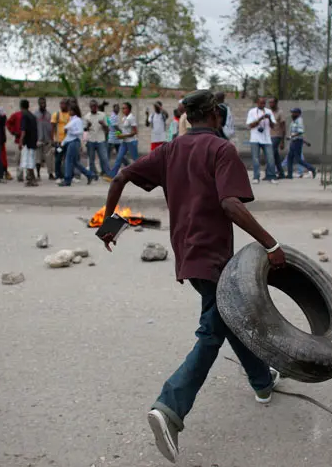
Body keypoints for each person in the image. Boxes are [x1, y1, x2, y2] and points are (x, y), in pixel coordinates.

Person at [99, 90, 285, 464]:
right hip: (213, 257)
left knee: (229, 318)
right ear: (216, 115)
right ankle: (170, 408)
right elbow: (230, 204)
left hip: (187, 253)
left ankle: (262, 382)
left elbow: (120, 176)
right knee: (212, 332)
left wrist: (108, 221)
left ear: (187, 117)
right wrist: (270, 244)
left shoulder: (169, 151)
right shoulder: (221, 150)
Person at [59, 103, 95, 186]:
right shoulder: (71, 120)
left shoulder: (78, 120)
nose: (69, 111)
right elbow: (68, 134)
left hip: (74, 141)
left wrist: (70, 130)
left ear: (75, 111)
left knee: (68, 160)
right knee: (75, 162)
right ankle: (89, 175)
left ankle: (67, 180)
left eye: (71, 110)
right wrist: (63, 143)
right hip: (71, 141)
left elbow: (80, 131)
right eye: (69, 110)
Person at [246, 97, 278, 184]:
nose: (262, 105)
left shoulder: (269, 111)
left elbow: (273, 126)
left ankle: (271, 176)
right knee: (256, 159)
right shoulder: (252, 111)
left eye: (264, 103)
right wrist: (260, 118)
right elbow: (250, 125)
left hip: (267, 139)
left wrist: (269, 119)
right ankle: (256, 177)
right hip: (255, 139)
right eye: (261, 103)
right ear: (257, 103)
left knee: (270, 158)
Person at [108, 102, 138, 176]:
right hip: (124, 142)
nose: (122, 110)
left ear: (129, 109)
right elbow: (123, 130)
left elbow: (135, 132)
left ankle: (144, 174)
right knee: (119, 158)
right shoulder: (124, 118)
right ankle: (112, 175)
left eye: (124, 108)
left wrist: (123, 136)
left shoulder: (131, 118)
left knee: (136, 160)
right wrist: (119, 134)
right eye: (122, 108)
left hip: (131, 142)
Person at [286, 107, 316, 179]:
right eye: (292, 112)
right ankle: (289, 174)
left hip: (297, 142)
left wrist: (290, 136)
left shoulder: (299, 121)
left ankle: (312, 169)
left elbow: (300, 132)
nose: (292, 114)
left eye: (294, 112)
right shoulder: (294, 121)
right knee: (289, 158)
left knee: (298, 159)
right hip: (294, 141)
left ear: (298, 113)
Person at [84, 99, 111, 180]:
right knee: (91, 160)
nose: (94, 107)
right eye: (92, 106)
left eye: (95, 106)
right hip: (91, 140)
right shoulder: (87, 116)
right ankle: (93, 175)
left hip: (100, 140)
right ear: (90, 107)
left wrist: (103, 124)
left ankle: (108, 175)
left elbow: (107, 130)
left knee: (104, 158)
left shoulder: (102, 115)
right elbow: (84, 130)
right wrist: (88, 126)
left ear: (97, 106)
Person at [18, 99, 39, 187]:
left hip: (27, 142)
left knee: (27, 161)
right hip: (33, 141)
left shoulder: (24, 116)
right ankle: (33, 179)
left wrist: (20, 141)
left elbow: (23, 131)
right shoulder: (33, 116)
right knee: (31, 160)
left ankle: (30, 179)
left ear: (21, 106)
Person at [51, 99, 71, 182]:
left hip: (69, 141)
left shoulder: (70, 114)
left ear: (67, 105)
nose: (62, 106)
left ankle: (67, 175)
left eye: (63, 104)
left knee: (68, 159)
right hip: (59, 141)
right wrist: (52, 139)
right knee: (58, 159)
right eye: (61, 104)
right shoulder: (56, 114)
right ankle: (58, 176)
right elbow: (52, 128)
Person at [35, 98, 54, 180]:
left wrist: (52, 139)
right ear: (38, 104)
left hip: (47, 140)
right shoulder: (35, 115)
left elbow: (52, 128)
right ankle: (38, 174)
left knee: (49, 158)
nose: (43, 104)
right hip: (38, 140)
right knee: (38, 158)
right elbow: (33, 128)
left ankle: (50, 174)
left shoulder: (49, 115)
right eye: (41, 103)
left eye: (44, 103)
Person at [268, 97, 286, 179]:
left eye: (272, 102)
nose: (270, 104)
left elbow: (283, 127)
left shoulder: (280, 113)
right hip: (269, 136)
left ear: (276, 103)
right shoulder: (268, 112)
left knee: (270, 154)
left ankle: (270, 173)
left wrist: (282, 141)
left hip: (277, 136)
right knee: (275, 156)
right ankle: (281, 173)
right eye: (270, 102)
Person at [7, 108, 24, 181]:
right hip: (18, 141)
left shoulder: (30, 115)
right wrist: (13, 132)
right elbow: (8, 123)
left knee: (27, 160)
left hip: (27, 142)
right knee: (19, 159)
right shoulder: (16, 115)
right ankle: (20, 175)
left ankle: (28, 175)